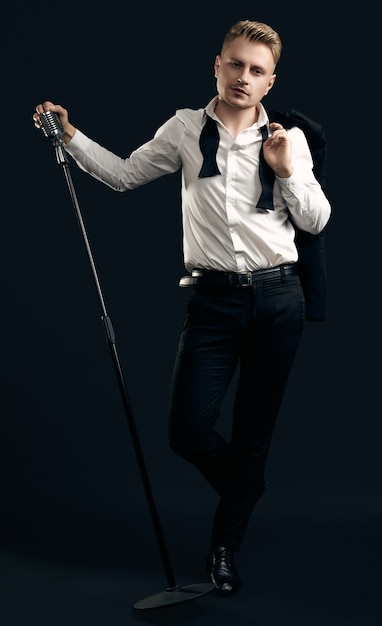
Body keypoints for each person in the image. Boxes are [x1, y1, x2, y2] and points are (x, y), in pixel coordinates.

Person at [33, 19, 331, 595]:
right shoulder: (184, 129)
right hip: (213, 302)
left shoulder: (287, 138)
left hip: (278, 299)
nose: (244, 78)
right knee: (188, 430)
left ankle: (224, 549)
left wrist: (287, 173)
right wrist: (70, 137)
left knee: (253, 433)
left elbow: (317, 220)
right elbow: (122, 176)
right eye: (236, 64)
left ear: (270, 82)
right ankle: (246, 489)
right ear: (217, 66)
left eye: (257, 71)